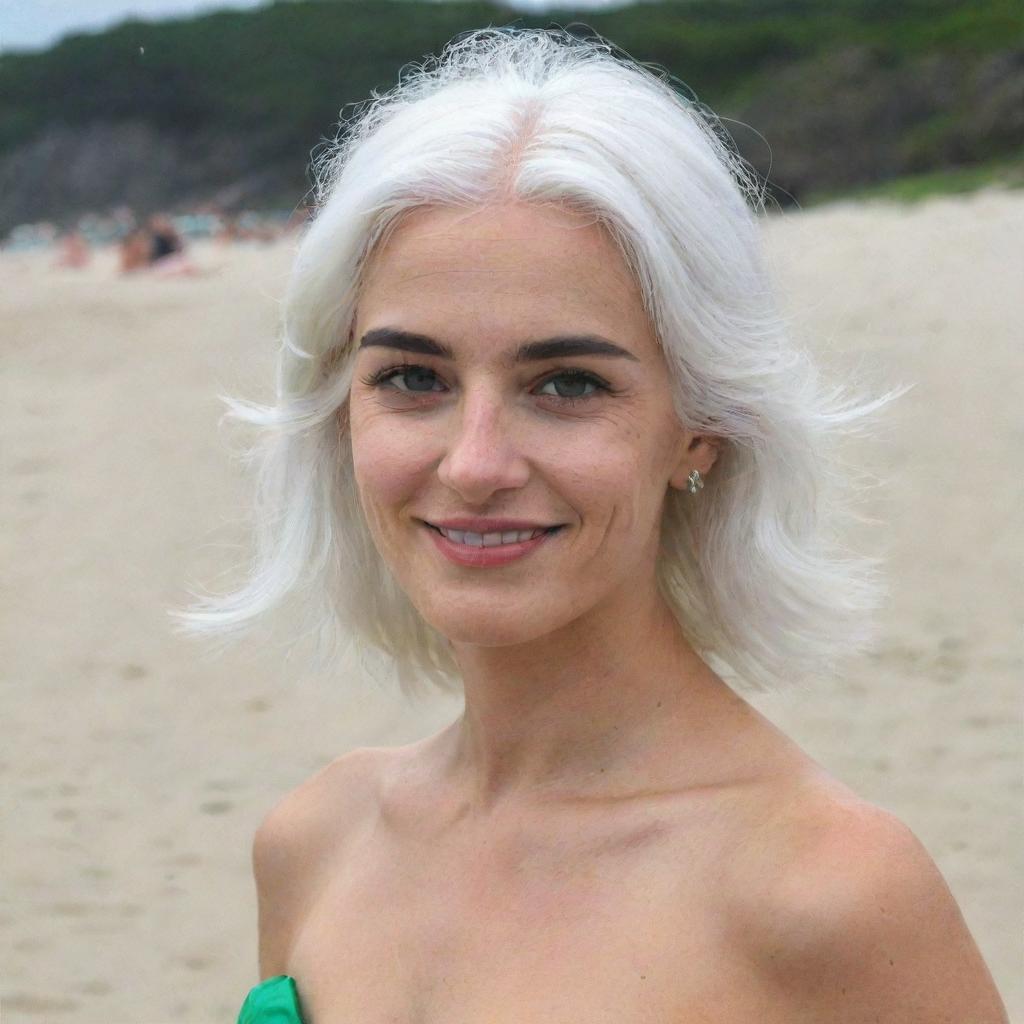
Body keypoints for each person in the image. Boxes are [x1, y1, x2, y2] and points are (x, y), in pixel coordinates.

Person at [175, 27, 1009, 1024]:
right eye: (413, 378)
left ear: (699, 428)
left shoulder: (824, 896)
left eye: (566, 383)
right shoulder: (313, 842)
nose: (475, 461)